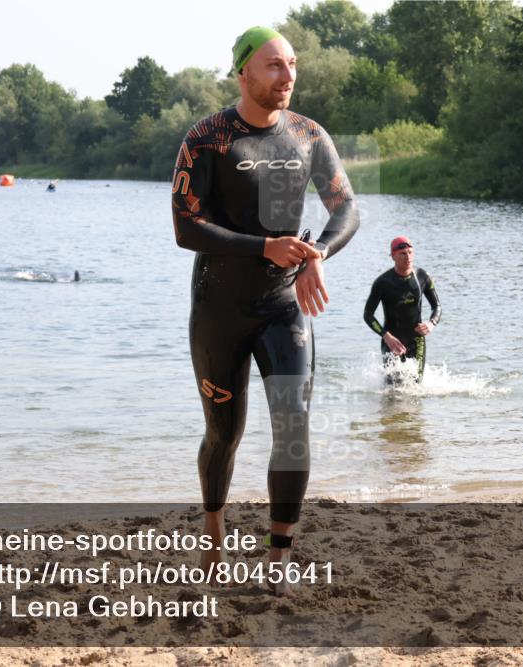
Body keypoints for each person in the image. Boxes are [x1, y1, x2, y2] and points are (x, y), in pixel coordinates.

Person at [171, 25, 359, 591]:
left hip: (283, 307)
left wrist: (317, 253)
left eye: (292, 64)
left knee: (293, 428)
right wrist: (265, 247)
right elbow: (186, 228)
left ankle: (277, 561)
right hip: (219, 310)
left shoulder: (307, 136)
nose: (288, 76)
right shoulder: (208, 139)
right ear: (244, 73)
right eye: (274, 65)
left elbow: (347, 207)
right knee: (223, 434)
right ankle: (213, 540)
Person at [364, 237, 441, 384]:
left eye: (410, 252)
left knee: (415, 388)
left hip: (417, 340)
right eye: (403, 254)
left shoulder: (422, 276)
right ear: (393, 256)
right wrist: (386, 336)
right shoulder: (382, 282)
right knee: (392, 388)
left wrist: (431, 323)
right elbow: (368, 314)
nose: (408, 257)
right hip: (391, 341)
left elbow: (437, 306)